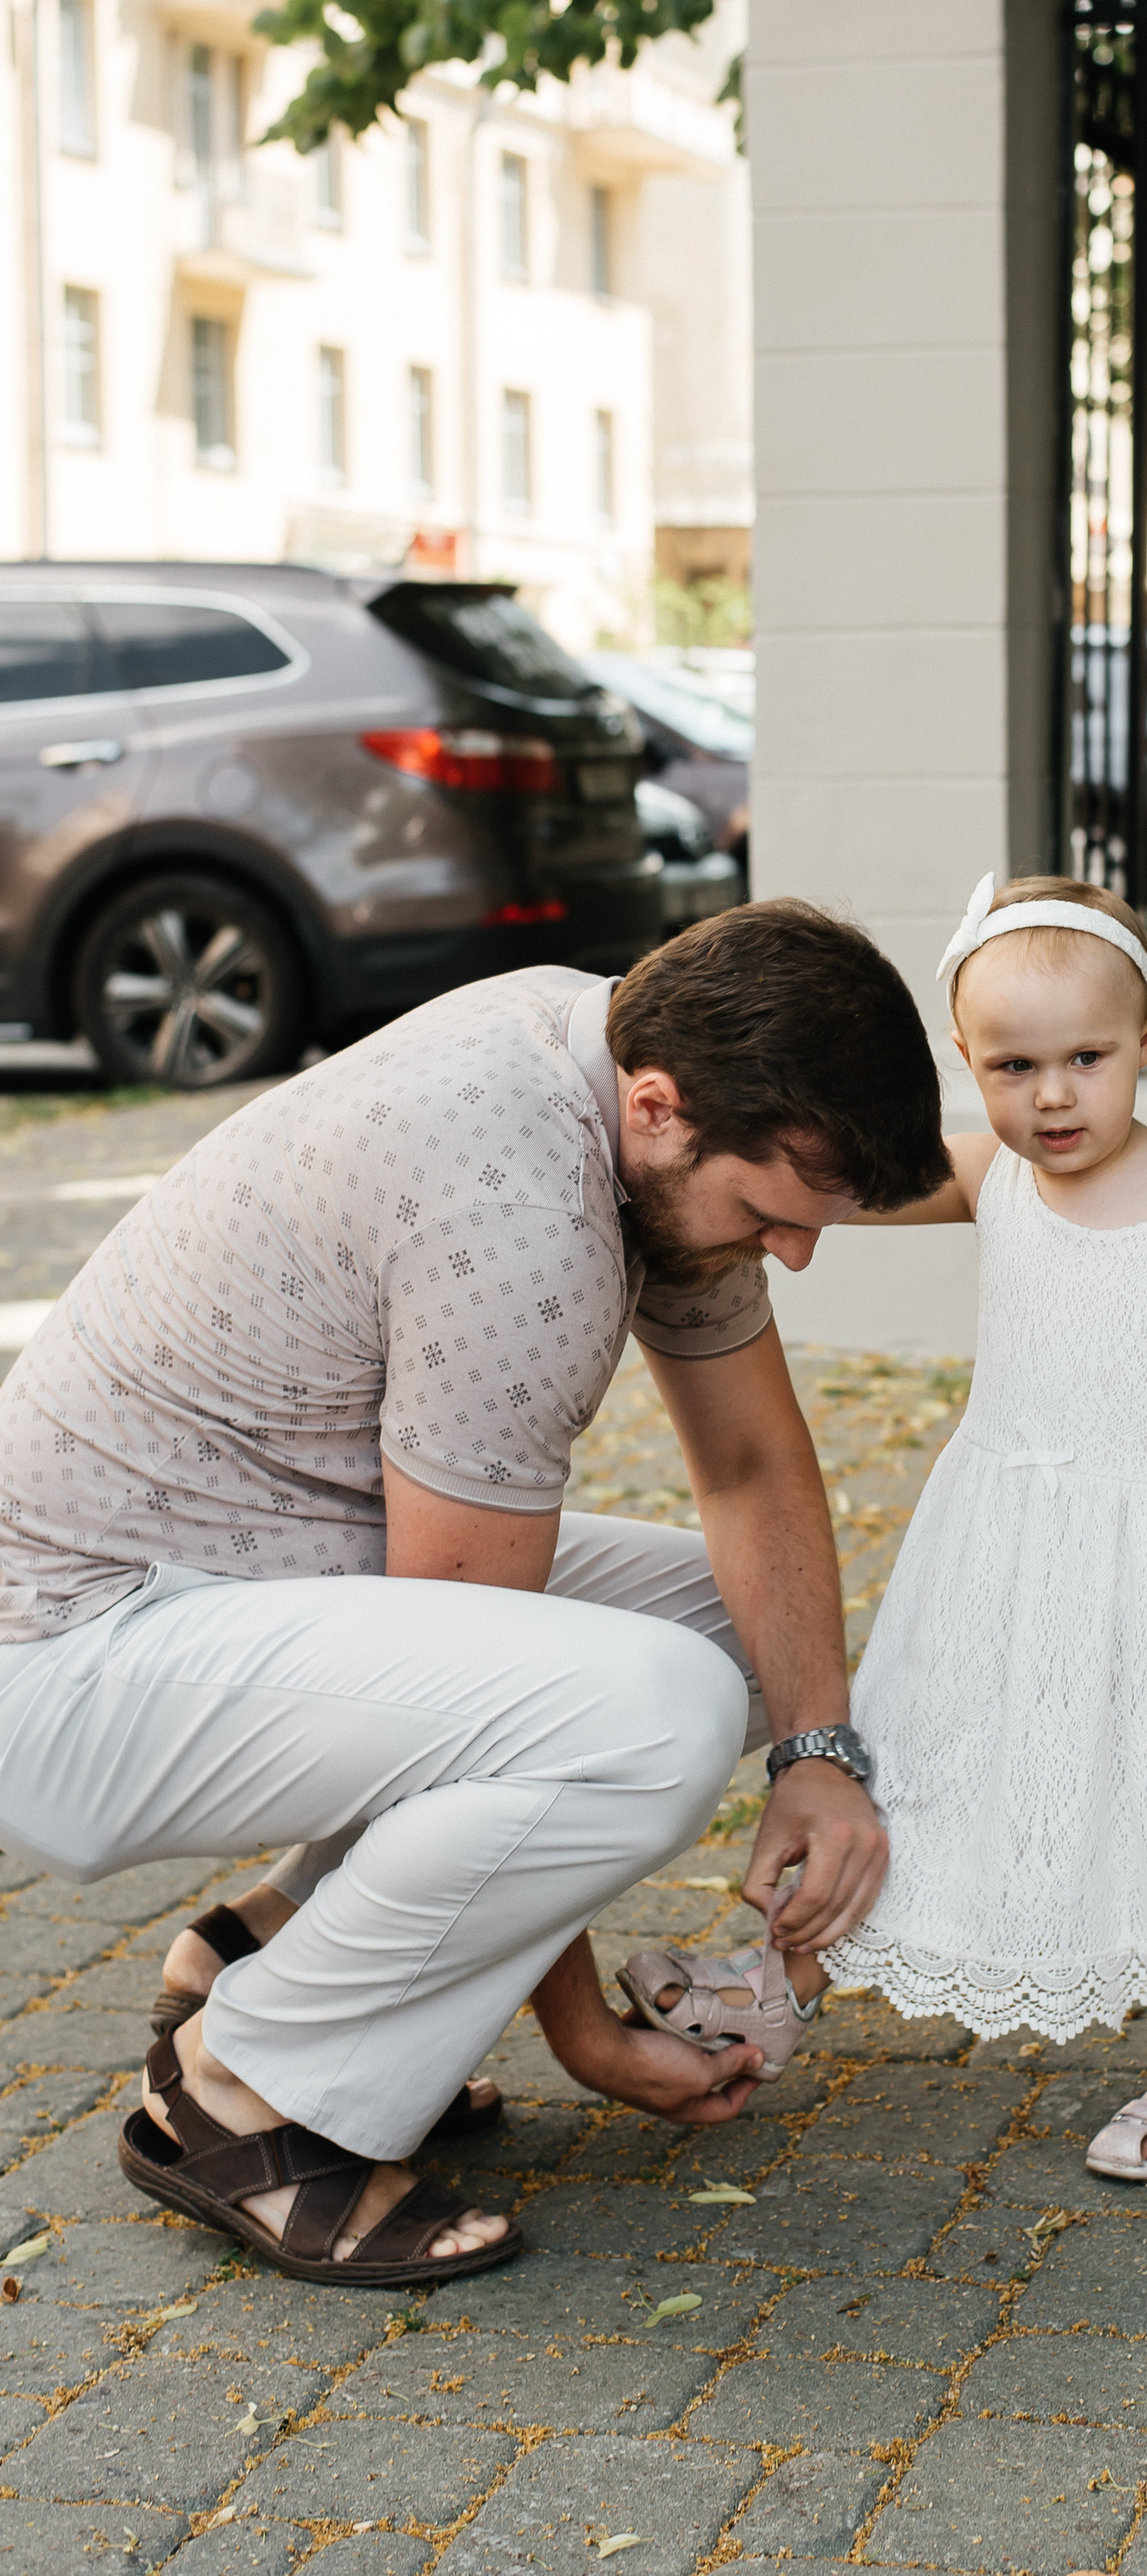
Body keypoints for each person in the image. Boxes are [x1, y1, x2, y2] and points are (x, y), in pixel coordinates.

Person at [0, 904, 948, 2282]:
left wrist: (818, 1754)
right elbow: (487, 1652)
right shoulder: (519, 1222)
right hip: (75, 1663)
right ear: (661, 1109)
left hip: (233, 1587)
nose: (790, 1256)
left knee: (732, 1632)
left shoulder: (607, 1050)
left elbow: (749, 1469)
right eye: (769, 1216)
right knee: (656, 1709)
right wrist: (584, 2035)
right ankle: (242, 2101)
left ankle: (267, 1949)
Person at [822, 873, 1147, 2176]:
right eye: (1013, 1065)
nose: (1052, 1097)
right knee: (934, 1734)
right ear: (970, 1064)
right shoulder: (994, 1175)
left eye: (1087, 1059)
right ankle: (804, 1957)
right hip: (1002, 1537)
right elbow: (847, 1182)